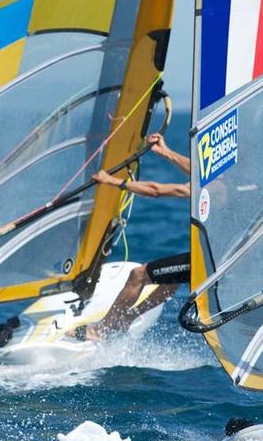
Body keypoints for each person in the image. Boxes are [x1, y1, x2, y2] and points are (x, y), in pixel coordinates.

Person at [72, 133, 190, 342]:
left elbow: (156, 191)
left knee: (138, 274)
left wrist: (112, 181)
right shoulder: (229, 181)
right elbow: (198, 171)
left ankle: (102, 329)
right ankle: (127, 317)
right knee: (172, 280)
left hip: (211, 263)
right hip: (220, 259)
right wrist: (167, 152)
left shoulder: (216, 186)